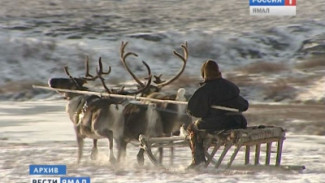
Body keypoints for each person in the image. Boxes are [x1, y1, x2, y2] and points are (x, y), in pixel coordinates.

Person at [186, 60, 249, 168]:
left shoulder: (205, 90)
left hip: (219, 123)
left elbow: (194, 111)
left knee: (192, 128)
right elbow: (244, 105)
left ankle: (198, 162)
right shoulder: (230, 86)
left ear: (204, 74)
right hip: (238, 121)